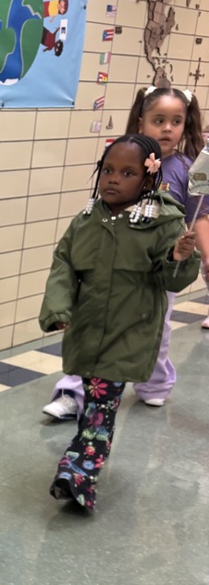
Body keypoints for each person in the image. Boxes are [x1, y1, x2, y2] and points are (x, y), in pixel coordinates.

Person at [39, 134, 199, 510]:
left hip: (131, 330)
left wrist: (178, 257)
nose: (113, 179)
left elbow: (171, 279)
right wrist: (58, 310)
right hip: (89, 328)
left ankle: (77, 475)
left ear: (148, 178)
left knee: (101, 404)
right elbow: (64, 264)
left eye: (127, 172)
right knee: (96, 402)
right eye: (108, 170)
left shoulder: (165, 222)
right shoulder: (87, 220)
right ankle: (83, 462)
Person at [42, 86, 209, 420]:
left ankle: (154, 384)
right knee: (90, 332)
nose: (167, 128)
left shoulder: (188, 170)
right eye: (158, 120)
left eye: (176, 121)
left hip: (154, 277)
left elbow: (199, 215)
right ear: (140, 120)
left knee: (153, 334)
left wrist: (203, 256)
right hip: (108, 272)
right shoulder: (124, 156)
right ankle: (73, 392)